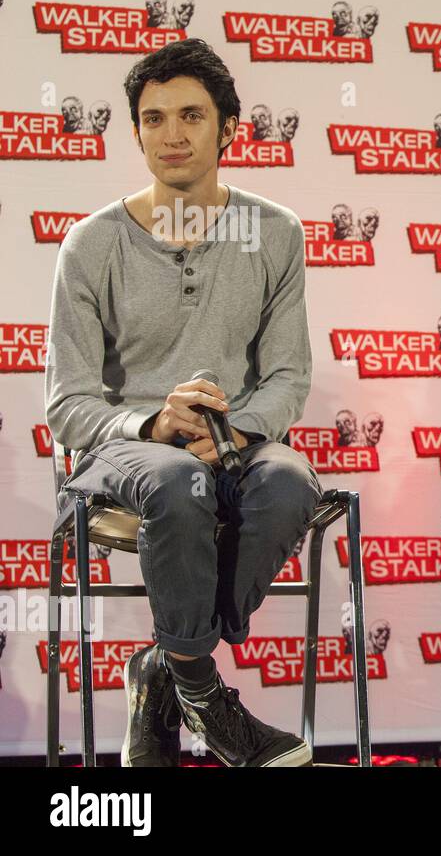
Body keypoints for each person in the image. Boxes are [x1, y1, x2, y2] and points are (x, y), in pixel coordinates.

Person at [45, 38, 320, 766]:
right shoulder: (90, 244)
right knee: (176, 478)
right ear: (135, 130)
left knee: (290, 480)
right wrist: (151, 422)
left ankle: (165, 670)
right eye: (154, 117)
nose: (172, 134)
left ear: (229, 127)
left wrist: (232, 434)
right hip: (123, 450)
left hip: (234, 440)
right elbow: (68, 402)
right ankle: (206, 695)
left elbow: (288, 377)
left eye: (191, 115)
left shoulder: (276, 233)